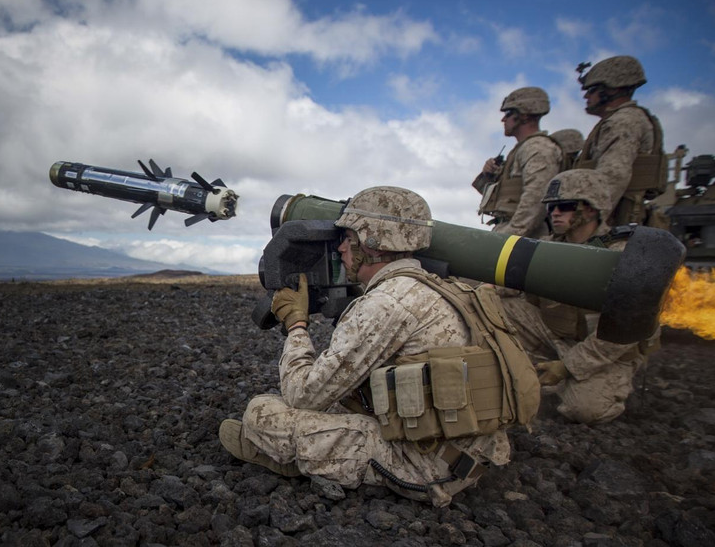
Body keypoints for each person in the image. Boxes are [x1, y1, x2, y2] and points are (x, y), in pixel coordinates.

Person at [219, 186, 516, 507]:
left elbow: (302, 395)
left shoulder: (387, 303)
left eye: (350, 238)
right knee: (338, 400)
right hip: (469, 448)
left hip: (427, 466)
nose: (343, 248)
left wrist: (297, 323)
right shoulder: (443, 286)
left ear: (373, 244)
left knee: (263, 412)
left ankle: (294, 458)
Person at [501, 170, 659, 424]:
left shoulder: (624, 254)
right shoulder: (546, 245)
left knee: (585, 410)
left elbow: (625, 330)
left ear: (590, 209)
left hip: (603, 350)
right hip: (558, 335)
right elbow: (510, 287)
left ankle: (568, 382)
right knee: (498, 307)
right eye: (551, 207)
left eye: (564, 206)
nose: (554, 213)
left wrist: (567, 367)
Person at [574, 56, 667, 227]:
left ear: (612, 89)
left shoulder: (623, 122)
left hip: (614, 222)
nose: (586, 95)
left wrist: (587, 226)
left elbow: (612, 178)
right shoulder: (624, 119)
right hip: (614, 219)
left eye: (592, 89)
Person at [473, 87, 563, 238]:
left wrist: (510, 237)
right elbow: (503, 199)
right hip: (509, 230)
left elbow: (536, 200)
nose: (503, 119)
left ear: (525, 116)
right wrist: (488, 176)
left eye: (508, 113)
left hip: (524, 237)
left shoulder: (538, 148)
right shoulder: (522, 149)